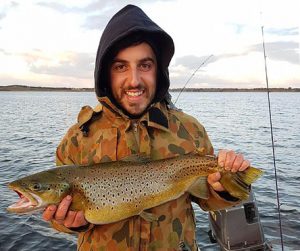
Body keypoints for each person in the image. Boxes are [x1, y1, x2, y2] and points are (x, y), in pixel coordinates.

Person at [43, 4, 250, 251]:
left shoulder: (190, 130)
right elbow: (59, 216)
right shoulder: (77, 139)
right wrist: (69, 223)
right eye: (121, 67)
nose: (134, 80)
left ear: (159, 71)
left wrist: (224, 186)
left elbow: (209, 199)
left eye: (145, 65)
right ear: (106, 74)